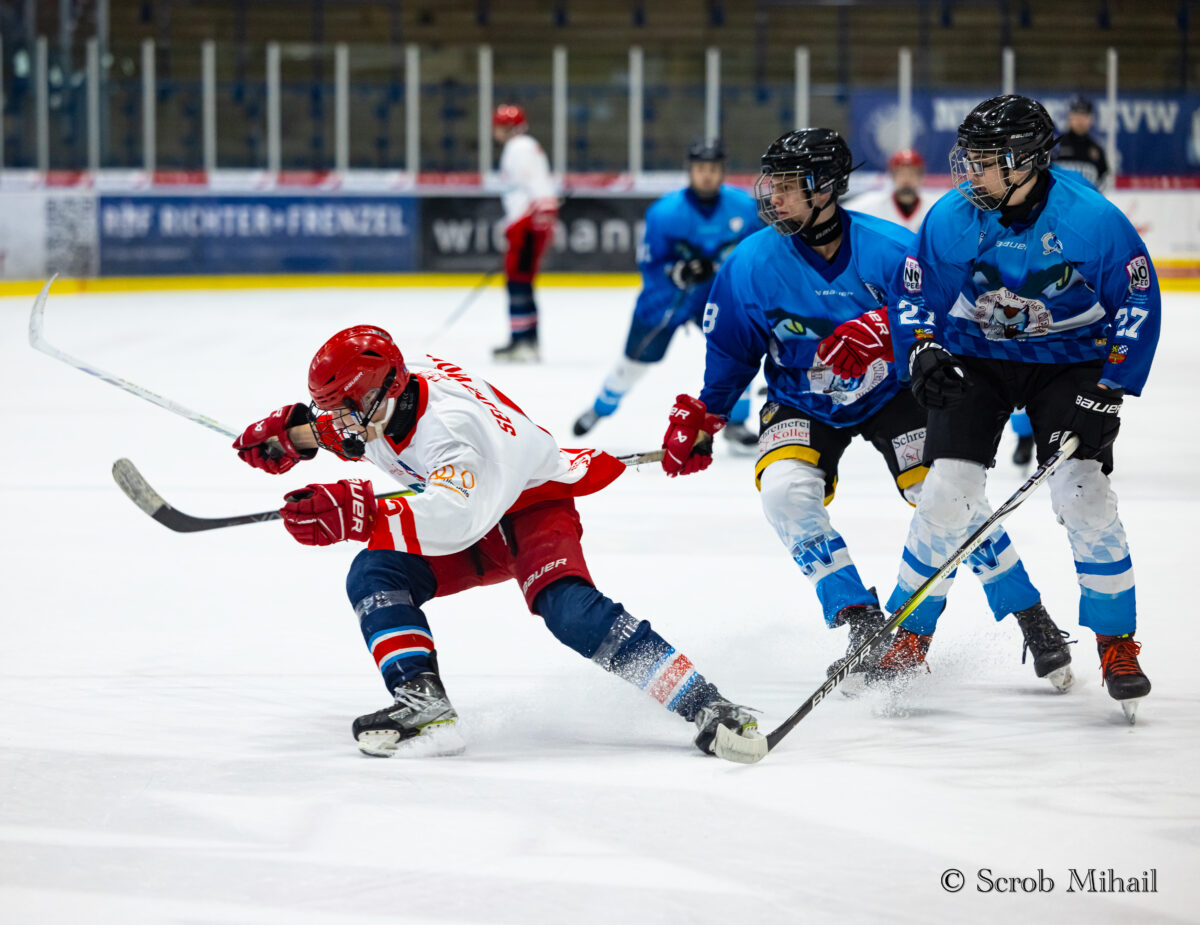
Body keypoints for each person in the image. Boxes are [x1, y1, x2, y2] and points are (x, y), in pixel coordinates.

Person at [657, 128, 1072, 693]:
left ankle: (1029, 613)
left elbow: (948, 318)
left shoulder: (892, 249)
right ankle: (861, 618)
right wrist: (708, 415)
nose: (774, 196)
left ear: (825, 187)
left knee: (947, 496)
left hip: (893, 393)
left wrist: (887, 330)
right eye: (773, 184)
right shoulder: (749, 263)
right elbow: (732, 351)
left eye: (789, 185)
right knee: (783, 493)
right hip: (801, 400)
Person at [230, 325, 761, 758]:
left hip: (528, 505)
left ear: (379, 394)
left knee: (569, 610)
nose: (340, 425)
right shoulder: (390, 390)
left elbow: (456, 517)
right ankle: (423, 701)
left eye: (346, 412)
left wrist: (361, 513)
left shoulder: (453, 432)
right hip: (468, 500)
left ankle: (705, 703)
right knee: (374, 573)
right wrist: (295, 434)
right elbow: (358, 427)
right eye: (335, 411)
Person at [826, 95, 1157, 721]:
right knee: (945, 492)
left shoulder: (1091, 218)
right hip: (976, 356)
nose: (969, 171)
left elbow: (1137, 300)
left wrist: (1111, 387)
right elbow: (915, 295)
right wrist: (921, 350)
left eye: (984, 160)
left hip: (1068, 362)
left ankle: (1116, 641)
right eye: (970, 157)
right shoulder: (954, 216)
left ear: (1026, 161)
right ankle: (909, 634)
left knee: (1083, 493)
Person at [572, 140, 763, 451]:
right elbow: (650, 263)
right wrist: (679, 272)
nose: (707, 175)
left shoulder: (744, 207)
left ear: (722, 171)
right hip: (666, 300)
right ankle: (601, 408)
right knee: (634, 362)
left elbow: (757, 253)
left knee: (738, 352)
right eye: (700, 168)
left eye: (713, 168)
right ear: (690, 170)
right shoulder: (664, 213)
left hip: (718, 297)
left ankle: (737, 423)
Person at [491, 104, 559, 363]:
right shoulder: (523, 146)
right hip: (526, 222)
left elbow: (537, 187)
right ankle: (527, 340)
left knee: (518, 281)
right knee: (522, 282)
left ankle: (523, 342)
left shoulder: (519, 148)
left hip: (527, 224)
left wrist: (533, 221)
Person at [847, 149, 933, 233]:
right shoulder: (870, 204)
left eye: (912, 173)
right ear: (892, 176)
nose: (906, 179)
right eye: (901, 173)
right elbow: (845, 214)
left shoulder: (932, 208)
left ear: (921, 177)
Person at [1052, 96, 1109, 190]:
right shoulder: (1056, 146)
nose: (1080, 120)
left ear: (1091, 119)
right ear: (1070, 117)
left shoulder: (1097, 150)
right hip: (1059, 197)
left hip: (1086, 198)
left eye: (1084, 116)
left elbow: (1103, 179)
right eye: (1076, 115)